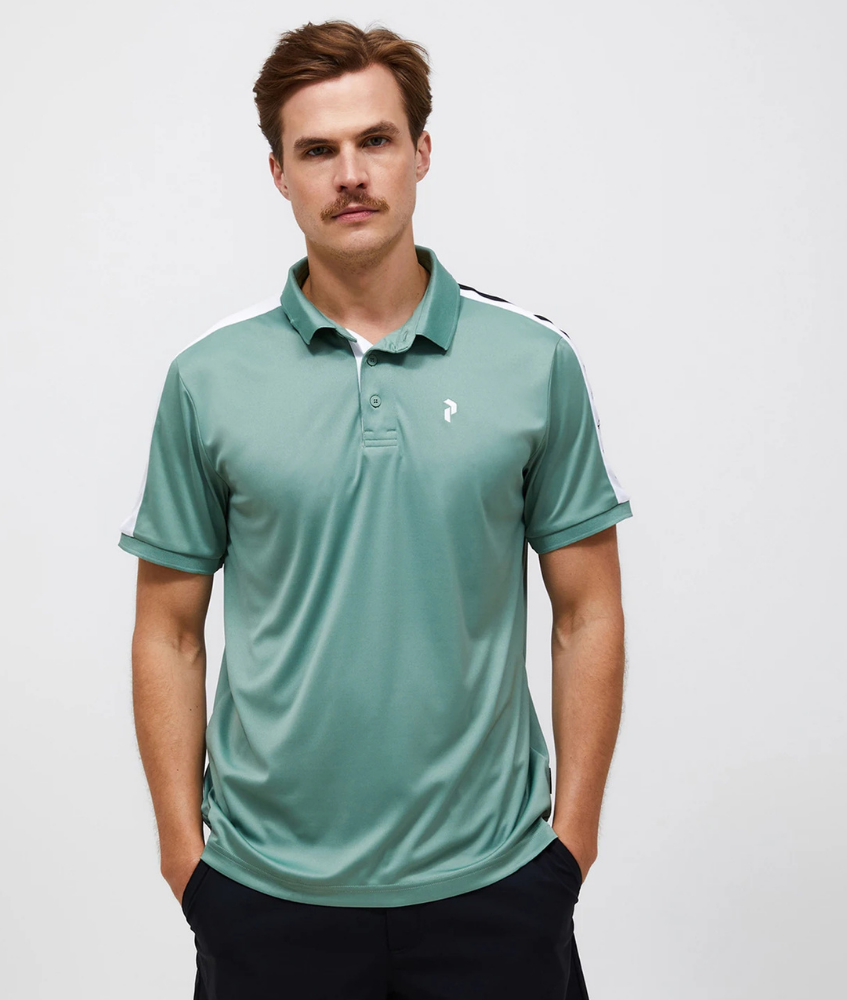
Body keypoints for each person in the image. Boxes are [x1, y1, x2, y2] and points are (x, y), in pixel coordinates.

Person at [119, 18, 632, 1000]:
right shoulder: (207, 378)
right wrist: (187, 859)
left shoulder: (533, 362)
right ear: (279, 173)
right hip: (266, 892)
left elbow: (588, 610)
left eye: (376, 140)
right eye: (317, 150)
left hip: (495, 885)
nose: (350, 173)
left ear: (421, 152)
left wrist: (571, 845)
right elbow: (168, 629)